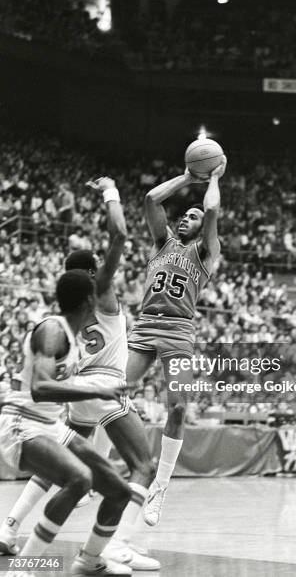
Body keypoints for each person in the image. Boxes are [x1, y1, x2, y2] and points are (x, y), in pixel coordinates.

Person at [0, 178, 160, 571]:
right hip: (32, 418)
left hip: (65, 410)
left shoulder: (69, 331)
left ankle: (17, 528)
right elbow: (119, 234)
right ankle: (110, 546)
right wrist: (110, 191)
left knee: (106, 482)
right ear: (90, 289)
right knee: (123, 469)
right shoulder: (62, 323)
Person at [0, 270, 133, 576]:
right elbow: (40, 387)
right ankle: (22, 570)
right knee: (80, 479)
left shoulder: (72, 336)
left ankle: (89, 560)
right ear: (89, 301)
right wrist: (98, 389)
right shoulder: (52, 329)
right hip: (22, 422)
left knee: (118, 490)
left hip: (50, 426)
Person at [127, 156, 226, 526]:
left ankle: (160, 488)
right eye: (184, 214)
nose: (187, 217)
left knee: (179, 408)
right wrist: (186, 176)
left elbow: (212, 208)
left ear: (203, 229)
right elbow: (152, 199)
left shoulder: (206, 252)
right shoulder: (162, 242)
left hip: (179, 330)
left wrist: (213, 178)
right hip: (146, 324)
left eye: (193, 217)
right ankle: (96, 470)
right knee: (115, 392)